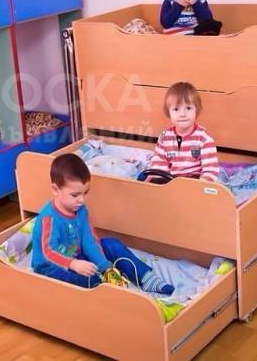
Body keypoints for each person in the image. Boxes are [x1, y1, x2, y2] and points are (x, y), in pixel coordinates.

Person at [31, 153, 175, 294]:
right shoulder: (49, 218)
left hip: (77, 256)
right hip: (51, 266)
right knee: (89, 280)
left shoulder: (81, 210)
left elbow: (89, 241)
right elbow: (49, 252)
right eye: (75, 195)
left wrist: (105, 267)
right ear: (56, 190)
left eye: (85, 193)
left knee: (111, 244)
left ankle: (145, 277)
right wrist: (72, 264)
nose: (82, 200)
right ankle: (105, 290)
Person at [148, 82, 219, 181]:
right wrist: (161, 181)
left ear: (196, 110)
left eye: (188, 108)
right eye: (176, 109)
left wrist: (202, 183)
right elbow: (159, 162)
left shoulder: (204, 138)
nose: (182, 114)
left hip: (195, 182)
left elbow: (210, 170)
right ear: (169, 112)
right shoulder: (164, 137)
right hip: (170, 181)